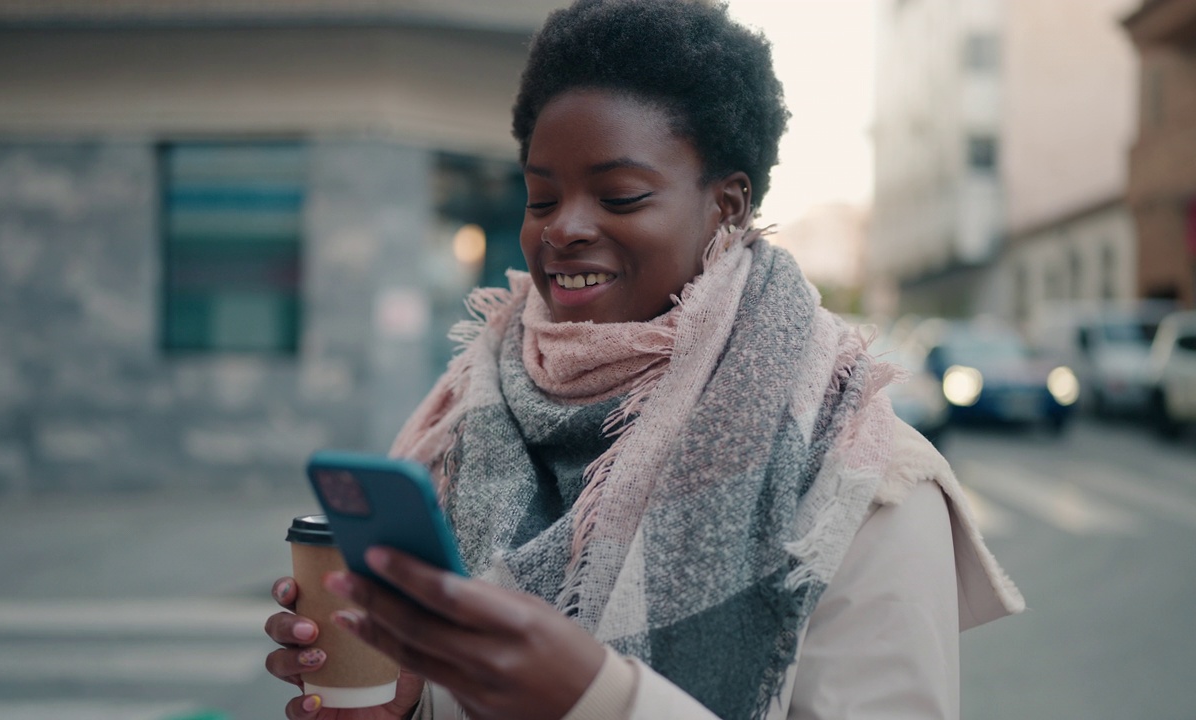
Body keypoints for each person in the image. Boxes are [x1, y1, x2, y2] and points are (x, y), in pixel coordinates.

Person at [264, 1, 1025, 718]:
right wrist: (410, 703)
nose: (562, 229)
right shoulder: (468, 423)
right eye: (539, 198)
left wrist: (597, 696)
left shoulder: (859, 477)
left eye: (620, 196)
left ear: (727, 206)